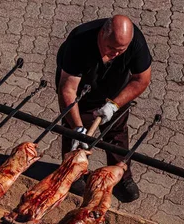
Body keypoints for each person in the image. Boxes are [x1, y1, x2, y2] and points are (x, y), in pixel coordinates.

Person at [56, 15, 152, 202]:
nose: (115, 53)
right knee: (74, 136)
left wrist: (114, 105)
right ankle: (73, 174)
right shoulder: (79, 41)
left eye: (121, 50)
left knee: (117, 134)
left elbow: (142, 79)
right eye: (110, 48)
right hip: (80, 92)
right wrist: (77, 128)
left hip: (115, 92)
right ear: (102, 34)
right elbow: (67, 89)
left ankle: (120, 178)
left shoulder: (136, 42)